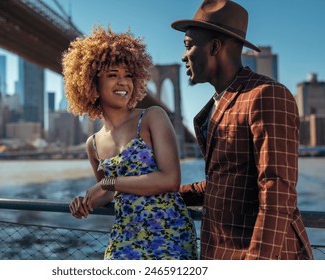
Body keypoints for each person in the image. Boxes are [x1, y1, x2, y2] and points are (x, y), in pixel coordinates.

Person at [171, 0, 313, 260]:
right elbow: (225, 181)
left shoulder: (267, 95)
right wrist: (157, 191)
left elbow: (277, 190)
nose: (183, 56)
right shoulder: (214, 106)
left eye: (188, 46)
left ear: (214, 47)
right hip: (220, 254)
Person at [62, 25, 197, 260]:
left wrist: (108, 182)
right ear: (92, 84)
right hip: (125, 234)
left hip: (168, 233)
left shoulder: (153, 116)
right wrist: (86, 200)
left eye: (128, 75)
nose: (123, 82)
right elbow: (109, 193)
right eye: (113, 75)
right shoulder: (92, 143)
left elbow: (170, 180)